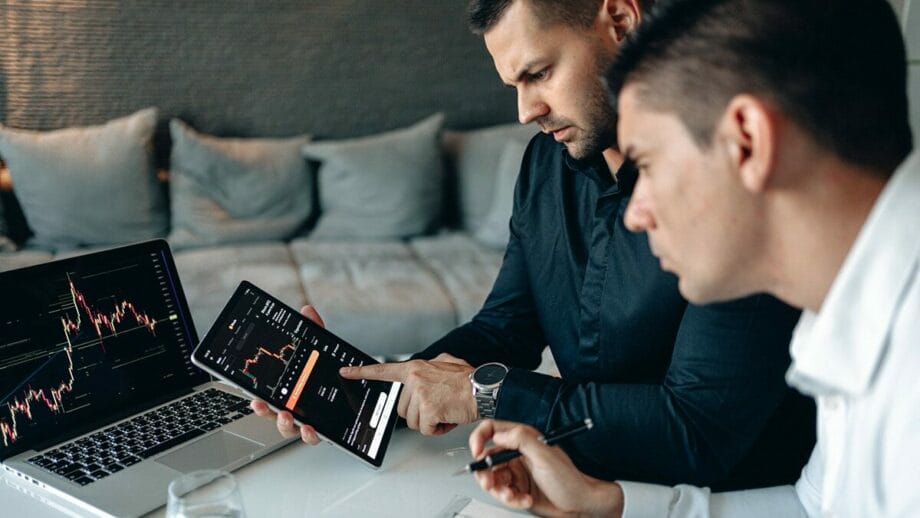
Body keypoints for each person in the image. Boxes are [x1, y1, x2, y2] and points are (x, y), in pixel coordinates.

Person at [253, 0, 815, 488]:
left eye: (539, 73)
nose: (526, 112)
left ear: (619, 19)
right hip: (578, 487)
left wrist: (488, 394)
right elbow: (506, 329)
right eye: (515, 85)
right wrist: (358, 392)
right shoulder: (548, 163)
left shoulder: (733, 180)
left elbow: (697, 433)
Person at [469, 0, 918, 515]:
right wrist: (610, 506)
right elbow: (814, 506)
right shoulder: (842, 316)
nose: (633, 214)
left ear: (747, 142)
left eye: (648, 162)